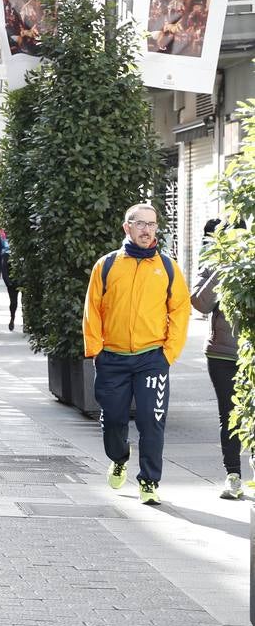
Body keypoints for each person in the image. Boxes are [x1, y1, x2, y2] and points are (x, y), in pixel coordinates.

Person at [83, 202, 190, 506]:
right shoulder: (106, 265)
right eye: (140, 223)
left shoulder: (167, 267)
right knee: (114, 420)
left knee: (151, 420)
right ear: (126, 227)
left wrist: (168, 353)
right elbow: (92, 310)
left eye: (152, 224)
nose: (146, 230)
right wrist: (96, 351)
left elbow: (180, 310)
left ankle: (149, 481)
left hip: (151, 358)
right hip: (113, 359)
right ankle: (118, 458)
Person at [190, 248, 245, 500]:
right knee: (230, 414)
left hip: (249, 353)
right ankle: (233, 475)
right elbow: (200, 303)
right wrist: (223, 270)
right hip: (222, 353)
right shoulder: (215, 258)